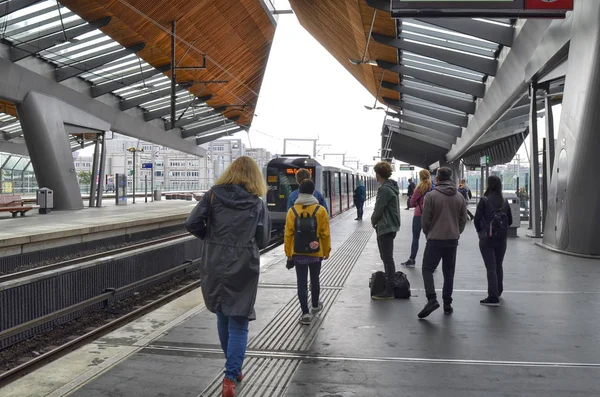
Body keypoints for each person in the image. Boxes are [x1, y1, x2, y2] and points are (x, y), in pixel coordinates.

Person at [184, 156, 270, 397]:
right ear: (255, 177)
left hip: (214, 261)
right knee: (239, 321)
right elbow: (263, 240)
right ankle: (230, 377)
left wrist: (210, 238)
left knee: (222, 314)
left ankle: (233, 369)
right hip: (244, 264)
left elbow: (191, 222)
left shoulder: (213, 195)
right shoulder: (257, 203)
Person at [418, 167, 468, 318]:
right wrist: (456, 232)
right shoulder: (459, 197)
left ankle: (432, 299)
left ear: (437, 179)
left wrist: (428, 233)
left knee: (427, 269)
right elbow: (463, 219)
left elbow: (425, 220)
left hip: (435, 239)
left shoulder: (431, 196)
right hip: (452, 240)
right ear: (451, 178)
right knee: (449, 272)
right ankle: (447, 303)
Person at [285, 179, 331, 325]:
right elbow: (325, 233)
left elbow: (288, 235)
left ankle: (305, 313)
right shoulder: (320, 210)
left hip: (298, 253)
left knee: (301, 282)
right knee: (315, 279)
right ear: (313, 192)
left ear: (300, 192)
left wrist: (289, 254)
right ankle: (316, 305)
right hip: (316, 251)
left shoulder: (292, 211)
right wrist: (326, 251)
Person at [474, 176, 513, 307]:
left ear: (488, 185)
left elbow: (476, 219)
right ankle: (498, 290)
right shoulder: (505, 201)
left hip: (487, 238)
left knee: (490, 267)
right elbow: (510, 221)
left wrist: (480, 232)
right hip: (502, 239)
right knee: (498, 265)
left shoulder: (484, 200)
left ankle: (492, 296)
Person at [370, 161, 401, 300]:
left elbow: (378, 209)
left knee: (387, 259)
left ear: (378, 174)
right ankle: (390, 286)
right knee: (387, 258)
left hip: (385, 227)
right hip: (390, 226)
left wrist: (373, 220)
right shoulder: (391, 187)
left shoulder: (384, 190)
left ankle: (389, 290)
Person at [401, 170, 433, 268]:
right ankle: (431, 262)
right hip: (430, 215)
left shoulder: (419, 188)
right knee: (430, 239)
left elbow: (412, 203)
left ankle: (412, 260)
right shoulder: (432, 188)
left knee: (415, 238)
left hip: (419, 215)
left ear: (420, 177)